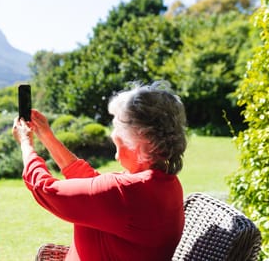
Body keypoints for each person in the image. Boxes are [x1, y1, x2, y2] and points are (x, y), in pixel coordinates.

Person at [12, 81, 188, 260]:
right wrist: (46, 136)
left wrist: (26, 144)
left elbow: (46, 190)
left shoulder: (128, 192)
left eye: (117, 127)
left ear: (140, 139)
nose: (113, 134)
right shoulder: (160, 183)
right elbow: (92, 185)